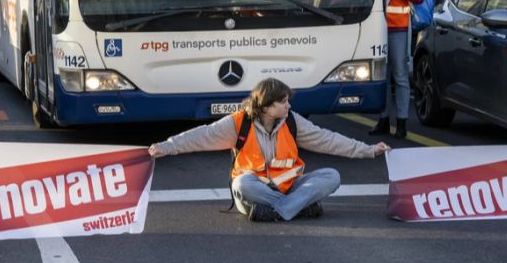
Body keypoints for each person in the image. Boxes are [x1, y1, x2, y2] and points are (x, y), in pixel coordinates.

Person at [149, 77, 390, 222]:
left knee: (331, 176)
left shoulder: (293, 121)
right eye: (283, 102)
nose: (289, 105)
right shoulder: (238, 123)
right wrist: (166, 147)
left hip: (285, 190)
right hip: (256, 193)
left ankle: (281, 210)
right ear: (266, 106)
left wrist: (368, 150)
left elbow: (328, 140)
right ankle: (297, 207)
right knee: (241, 184)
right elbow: (202, 135)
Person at [370, 0, 424, 139]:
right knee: (381, 76)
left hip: (397, 29)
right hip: (375, 29)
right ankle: (383, 120)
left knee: (400, 75)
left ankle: (401, 123)